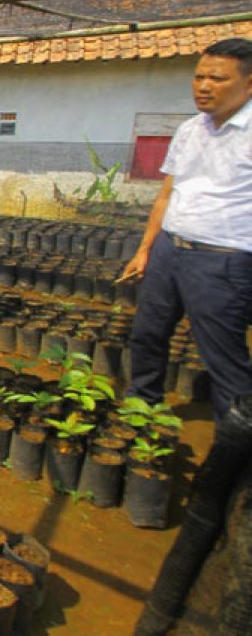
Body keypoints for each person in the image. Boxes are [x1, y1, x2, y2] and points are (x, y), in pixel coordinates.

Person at [122, 37, 252, 419]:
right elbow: (166, 194)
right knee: (148, 333)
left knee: (222, 353)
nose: (204, 86)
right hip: (169, 249)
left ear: (248, 83)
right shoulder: (190, 130)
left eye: (217, 78)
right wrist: (145, 249)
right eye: (198, 77)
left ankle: (235, 442)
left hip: (224, 259)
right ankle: (142, 402)